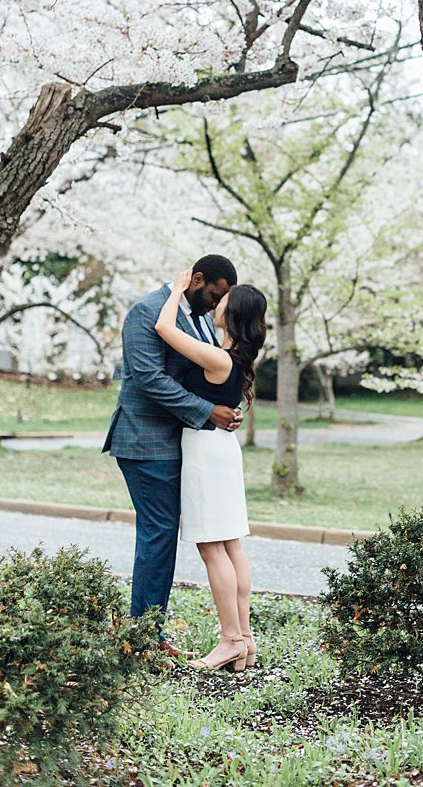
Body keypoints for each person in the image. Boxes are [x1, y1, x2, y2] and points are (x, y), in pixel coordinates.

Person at [103, 255, 243, 660]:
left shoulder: (197, 315)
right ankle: (144, 639)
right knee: (159, 534)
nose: (214, 306)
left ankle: (150, 633)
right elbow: (149, 379)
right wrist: (206, 411)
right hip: (146, 441)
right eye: (213, 295)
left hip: (178, 441)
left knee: (166, 535)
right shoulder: (145, 311)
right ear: (196, 280)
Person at [155, 269, 268, 672]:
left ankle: (230, 640)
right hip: (222, 450)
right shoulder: (235, 356)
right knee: (231, 545)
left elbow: (165, 326)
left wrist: (175, 288)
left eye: (223, 300)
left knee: (212, 547)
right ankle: (245, 639)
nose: (215, 302)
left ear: (232, 313)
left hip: (205, 452)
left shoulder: (218, 358)